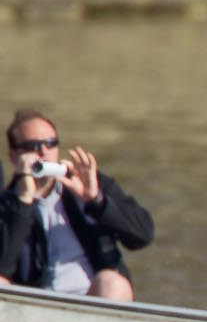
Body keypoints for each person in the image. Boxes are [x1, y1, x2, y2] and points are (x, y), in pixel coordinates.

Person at [0, 109, 153, 301]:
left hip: (90, 299)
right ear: (14, 156)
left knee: (112, 282)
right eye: (32, 146)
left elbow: (143, 235)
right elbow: (3, 267)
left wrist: (96, 201)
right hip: (32, 307)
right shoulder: (6, 206)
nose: (43, 152)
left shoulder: (89, 184)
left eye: (50, 143)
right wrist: (23, 202)